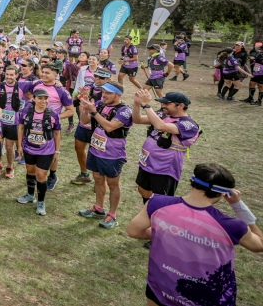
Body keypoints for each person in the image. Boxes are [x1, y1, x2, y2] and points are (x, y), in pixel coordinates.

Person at [124, 163, 262, 306]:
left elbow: (134, 231)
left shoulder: (158, 203)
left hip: (164, 282)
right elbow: (259, 245)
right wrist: (238, 206)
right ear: (223, 194)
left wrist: (166, 231)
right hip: (207, 296)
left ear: (192, 181)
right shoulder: (232, 226)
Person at [75, 82, 132, 229]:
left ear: (118, 95)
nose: (104, 95)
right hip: (95, 149)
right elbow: (84, 121)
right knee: (98, 179)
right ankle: (99, 208)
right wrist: (85, 105)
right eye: (103, 92)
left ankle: (112, 215)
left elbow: (110, 126)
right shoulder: (100, 104)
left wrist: (93, 111)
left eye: (108, 93)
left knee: (113, 184)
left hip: (112, 154)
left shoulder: (124, 111)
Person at [133, 90, 200, 204]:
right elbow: (137, 120)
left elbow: (160, 126)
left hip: (164, 169)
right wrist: (137, 104)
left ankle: (157, 216)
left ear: (181, 106)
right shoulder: (163, 114)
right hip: (147, 162)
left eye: (167, 104)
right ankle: (149, 211)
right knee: (143, 189)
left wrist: (146, 105)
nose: (163, 106)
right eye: (162, 103)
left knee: (161, 199)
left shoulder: (189, 125)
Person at [15, 85, 62, 216]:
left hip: (46, 151)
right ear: (34, 99)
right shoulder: (26, 111)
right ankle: (30, 195)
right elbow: (21, 128)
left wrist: (57, 151)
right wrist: (19, 146)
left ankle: (41, 201)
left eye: (46, 98)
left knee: (41, 175)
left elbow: (57, 134)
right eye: (40, 98)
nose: (43, 101)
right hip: (29, 148)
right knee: (30, 171)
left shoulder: (53, 114)